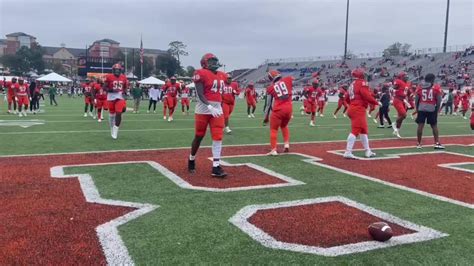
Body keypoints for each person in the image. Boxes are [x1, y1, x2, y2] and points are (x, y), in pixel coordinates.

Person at [188, 53, 227, 178]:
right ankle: (191, 158)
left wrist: (219, 105)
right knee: (199, 136)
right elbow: (200, 94)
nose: (214, 63)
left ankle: (216, 167)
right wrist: (209, 106)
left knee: (218, 136)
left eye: (215, 61)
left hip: (217, 109)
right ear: (204, 63)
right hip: (203, 108)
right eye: (211, 61)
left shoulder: (222, 75)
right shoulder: (200, 73)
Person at [343, 68, 378, 159]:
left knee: (363, 130)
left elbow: (346, 98)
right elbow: (366, 95)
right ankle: (348, 151)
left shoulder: (352, 85)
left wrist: (353, 104)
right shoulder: (361, 83)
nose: (365, 76)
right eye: (363, 74)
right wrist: (376, 102)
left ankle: (367, 151)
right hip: (358, 109)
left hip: (353, 108)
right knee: (355, 130)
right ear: (360, 75)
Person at [263, 70, 293, 155]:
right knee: (284, 126)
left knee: (273, 129)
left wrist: (266, 117)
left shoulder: (270, 88)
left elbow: (268, 104)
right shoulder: (288, 79)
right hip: (289, 109)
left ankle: (273, 150)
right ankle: (286, 144)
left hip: (278, 110)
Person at [414, 73, 444, 149]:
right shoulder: (436, 87)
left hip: (421, 108)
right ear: (432, 79)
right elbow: (439, 100)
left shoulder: (420, 87)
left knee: (420, 125)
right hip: (431, 108)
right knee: (434, 125)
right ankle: (436, 142)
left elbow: (416, 99)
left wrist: (417, 109)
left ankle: (419, 143)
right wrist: (437, 110)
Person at [104, 63, 129, 139]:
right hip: (111, 97)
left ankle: (116, 128)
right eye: (116, 69)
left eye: (118, 70)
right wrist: (110, 90)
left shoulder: (124, 77)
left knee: (119, 113)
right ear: (113, 70)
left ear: (120, 70)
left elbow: (125, 87)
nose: (117, 71)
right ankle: (112, 127)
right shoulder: (109, 77)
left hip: (120, 96)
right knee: (112, 114)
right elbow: (104, 87)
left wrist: (125, 93)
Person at [391, 72, 409, 138]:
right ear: (401, 77)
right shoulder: (398, 81)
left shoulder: (407, 83)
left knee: (401, 117)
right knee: (404, 115)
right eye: (405, 76)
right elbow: (394, 87)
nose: (407, 77)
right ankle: (394, 123)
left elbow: (406, 93)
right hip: (397, 100)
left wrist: (407, 101)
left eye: (407, 76)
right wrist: (395, 87)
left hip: (403, 100)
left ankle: (397, 131)